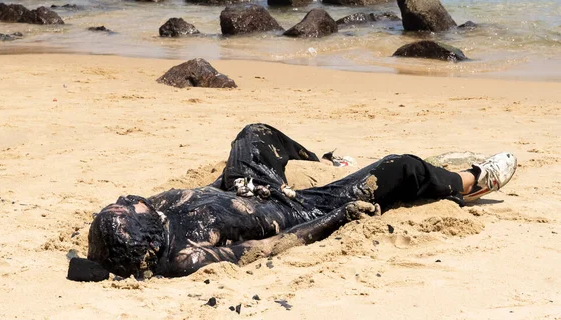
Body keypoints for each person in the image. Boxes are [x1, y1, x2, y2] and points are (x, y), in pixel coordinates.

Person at [84, 124, 517, 279]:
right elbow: (268, 247)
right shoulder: (184, 258)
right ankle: (469, 183)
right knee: (398, 167)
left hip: (241, 188)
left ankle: (321, 158)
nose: (126, 197)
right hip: (296, 209)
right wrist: (338, 218)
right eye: (126, 207)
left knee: (252, 134)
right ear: (139, 234)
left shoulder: (151, 216)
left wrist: (234, 182)